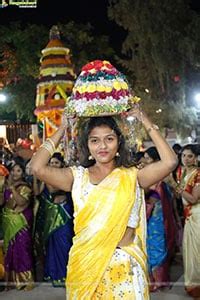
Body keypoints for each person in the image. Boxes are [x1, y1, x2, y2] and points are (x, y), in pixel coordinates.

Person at [30, 103, 177, 299]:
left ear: (118, 143)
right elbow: (37, 168)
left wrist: (144, 120)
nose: (102, 146)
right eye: (95, 140)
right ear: (88, 145)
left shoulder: (133, 176)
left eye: (109, 139)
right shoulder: (77, 177)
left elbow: (170, 162)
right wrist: (62, 128)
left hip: (125, 266)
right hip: (86, 265)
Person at [143, 146, 176, 292]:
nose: (145, 160)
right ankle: (152, 280)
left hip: (158, 218)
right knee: (149, 246)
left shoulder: (161, 175)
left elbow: (159, 196)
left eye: (148, 158)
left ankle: (159, 280)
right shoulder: (149, 174)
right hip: (151, 217)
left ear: (156, 160)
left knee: (157, 247)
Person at [42, 152, 74, 286]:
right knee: (53, 244)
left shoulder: (67, 176)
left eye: (56, 163)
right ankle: (56, 275)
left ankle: (69, 275)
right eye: (51, 163)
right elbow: (39, 192)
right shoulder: (46, 177)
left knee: (65, 243)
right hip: (51, 214)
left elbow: (56, 189)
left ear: (61, 164)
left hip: (64, 213)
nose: (53, 165)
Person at [1, 162, 34, 291]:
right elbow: (2, 203)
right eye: (13, 170)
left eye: (18, 171)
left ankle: (25, 280)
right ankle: (12, 281)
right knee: (9, 251)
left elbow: (21, 202)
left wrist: (13, 189)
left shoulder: (25, 187)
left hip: (20, 224)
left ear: (23, 173)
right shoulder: (6, 186)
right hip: (8, 221)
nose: (15, 173)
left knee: (22, 250)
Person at [175, 144, 200, 298]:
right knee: (189, 251)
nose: (186, 159)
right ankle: (193, 285)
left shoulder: (198, 174)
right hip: (188, 216)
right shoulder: (182, 172)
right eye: (183, 155)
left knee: (198, 251)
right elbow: (181, 198)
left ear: (196, 158)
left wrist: (176, 188)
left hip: (197, 216)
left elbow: (193, 198)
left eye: (190, 156)